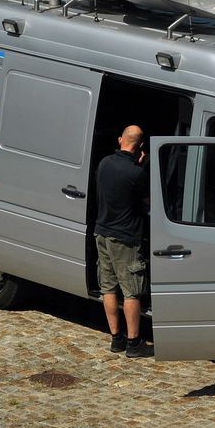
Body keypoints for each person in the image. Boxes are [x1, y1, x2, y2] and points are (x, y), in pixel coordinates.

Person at [94, 124, 151, 358]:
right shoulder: (137, 173)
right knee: (131, 292)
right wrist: (142, 165)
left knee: (108, 287)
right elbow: (147, 201)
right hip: (125, 238)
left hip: (102, 233)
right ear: (141, 147)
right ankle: (133, 342)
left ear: (120, 140)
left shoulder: (104, 163)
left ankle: (116, 339)